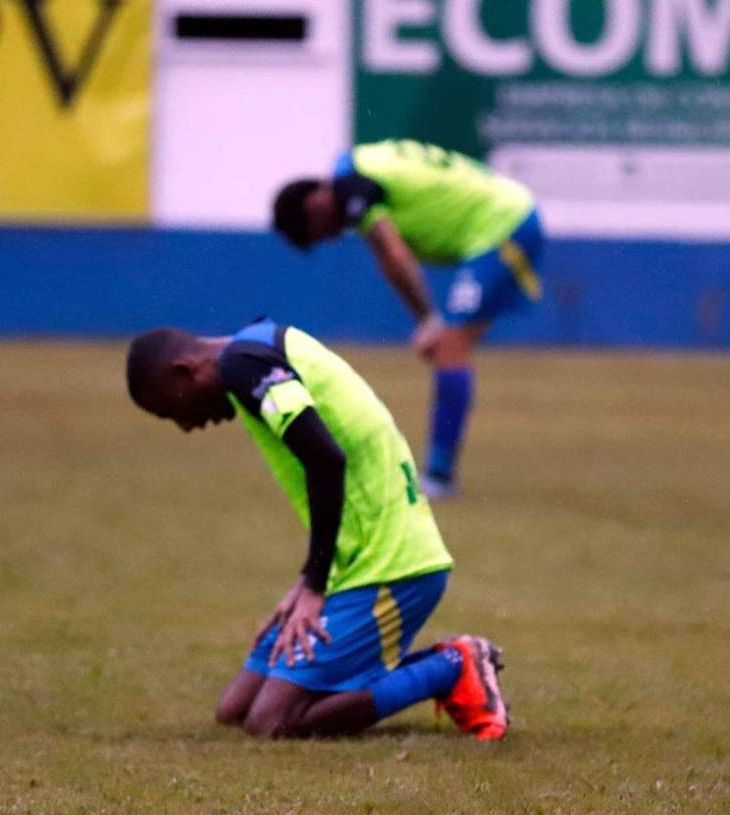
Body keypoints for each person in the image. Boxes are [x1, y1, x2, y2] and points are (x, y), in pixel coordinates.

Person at [125, 318, 508, 740]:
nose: (184, 425)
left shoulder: (245, 365)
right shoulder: (256, 347)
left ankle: (453, 666)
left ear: (186, 370)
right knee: (234, 710)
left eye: (171, 409)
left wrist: (313, 585)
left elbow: (326, 458)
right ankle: (410, 664)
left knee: (271, 722)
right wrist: (304, 584)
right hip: (356, 562)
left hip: (391, 565)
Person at [272, 139, 546, 498]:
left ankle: (439, 476)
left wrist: (429, 321)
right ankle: (440, 472)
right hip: (508, 216)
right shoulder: (355, 169)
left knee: (450, 346)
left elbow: (394, 255)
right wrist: (429, 322)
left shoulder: (353, 189)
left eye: (322, 230)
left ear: (315, 203)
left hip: (501, 226)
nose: (333, 235)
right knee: (452, 346)